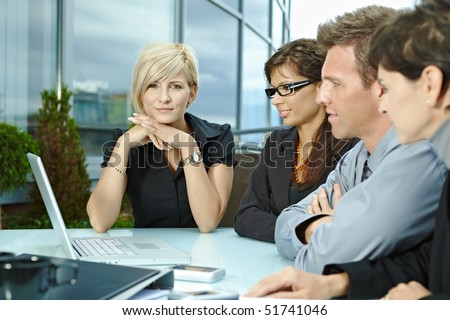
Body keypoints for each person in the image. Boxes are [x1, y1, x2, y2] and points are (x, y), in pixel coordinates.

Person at [245, 0, 450, 300]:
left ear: (430, 84)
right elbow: (282, 226)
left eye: (388, 86)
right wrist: (321, 231)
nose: (384, 102)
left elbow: (320, 260)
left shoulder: (423, 151)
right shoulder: (356, 155)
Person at [87, 42, 235, 233]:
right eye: (153, 85)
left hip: (203, 255)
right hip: (146, 256)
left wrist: (188, 146)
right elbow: (100, 221)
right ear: (140, 93)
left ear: (192, 93)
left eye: (175, 86)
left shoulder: (218, 137)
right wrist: (123, 144)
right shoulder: (124, 141)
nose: (164, 97)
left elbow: (207, 223)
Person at [233, 38, 355, 243]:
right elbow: (245, 216)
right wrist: (302, 231)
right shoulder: (277, 142)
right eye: (273, 90)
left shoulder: (352, 145)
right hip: (273, 259)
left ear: (321, 87)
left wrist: (283, 227)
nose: (276, 100)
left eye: (286, 88)